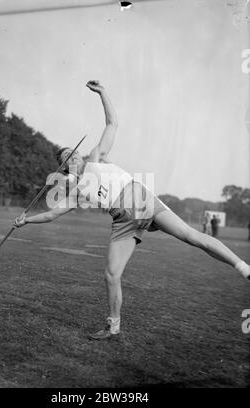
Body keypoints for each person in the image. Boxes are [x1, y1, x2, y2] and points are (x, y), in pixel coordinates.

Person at [14, 80, 250, 340]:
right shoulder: (77, 192)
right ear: (64, 167)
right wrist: (26, 221)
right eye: (66, 157)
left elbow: (112, 124)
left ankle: (244, 269)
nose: (73, 155)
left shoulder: (96, 156)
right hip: (122, 221)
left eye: (73, 151)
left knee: (192, 237)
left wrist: (103, 93)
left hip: (139, 199)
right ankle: (112, 326)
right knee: (111, 274)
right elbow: (52, 214)